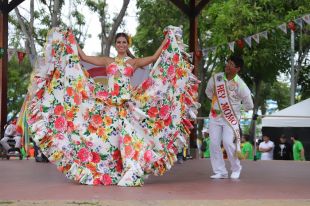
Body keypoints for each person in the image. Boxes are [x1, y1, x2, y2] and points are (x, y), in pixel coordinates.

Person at [24, 26, 200, 186]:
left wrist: (168, 38)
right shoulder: (108, 61)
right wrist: (71, 38)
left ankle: (131, 171)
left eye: (124, 42)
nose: (121, 45)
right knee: (107, 141)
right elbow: (83, 57)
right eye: (119, 42)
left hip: (127, 106)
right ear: (116, 45)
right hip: (109, 105)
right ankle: (109, 172)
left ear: (127, 44)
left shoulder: (133, 62)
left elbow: (155, 57)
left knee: (129, 139)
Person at [205, 55, 253, 179]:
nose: (227, 65)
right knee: (214, 143)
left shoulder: (240, 84)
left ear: (237, 69)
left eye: (231, 64)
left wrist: (238, 110)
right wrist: (217, 103)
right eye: (228, 62)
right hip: (215, 116)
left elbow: (249, 104)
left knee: (227, 142)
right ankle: (220, 171)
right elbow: (208, 92)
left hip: (230, 118)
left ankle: (236, 168)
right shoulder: (217, 78)